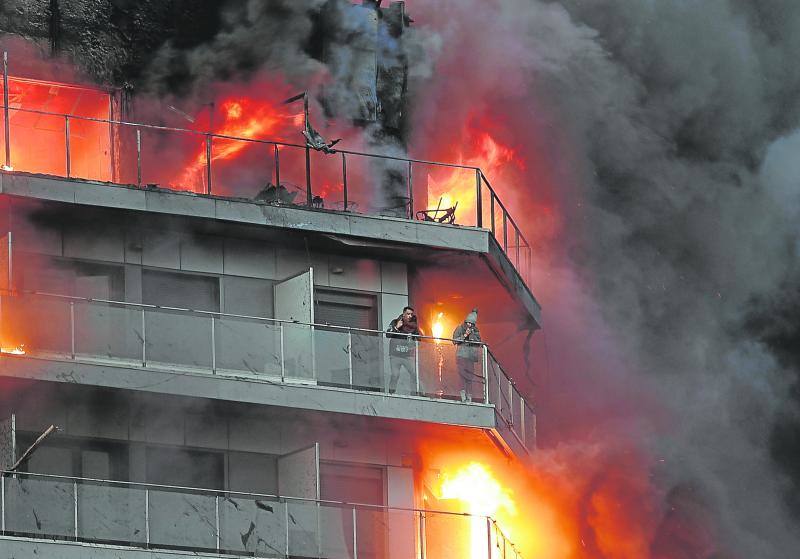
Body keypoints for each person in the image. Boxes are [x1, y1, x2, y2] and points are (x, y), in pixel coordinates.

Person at [386, 306, 422, 394]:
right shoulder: (395, 322)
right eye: (408, 314)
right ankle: (391, 393)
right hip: (395, 355)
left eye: (411, 314)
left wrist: (413, 337)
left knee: (414, 374)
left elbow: (419, 339)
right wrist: (397, 327)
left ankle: (415, 393)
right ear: (403, 314)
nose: (410, 316)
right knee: (395, 375)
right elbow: (388, 334)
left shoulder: (413, 326)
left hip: (408, 355)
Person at [452, 308, 483, 402]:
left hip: (471, 357)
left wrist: (473, 337)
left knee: (470, 377)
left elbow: (479, 343)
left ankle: (469, 396)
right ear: (465, 322)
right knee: (462, 376)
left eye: (471, 324)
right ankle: (463, 395)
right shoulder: (460, 328)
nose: (469, 325)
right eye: (468, 323)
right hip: (461, 356)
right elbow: (454, 340)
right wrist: (465, 335)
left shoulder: (476, 331)